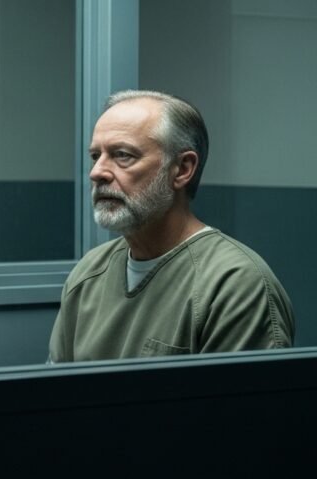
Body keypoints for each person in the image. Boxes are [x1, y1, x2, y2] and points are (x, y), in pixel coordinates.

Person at [48, 90, 294, 362]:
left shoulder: (235, 284)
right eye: (96, 156)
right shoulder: (88, 273)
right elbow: (57, 384)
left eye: (123, 155)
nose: (97, 172)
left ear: (182, 169)